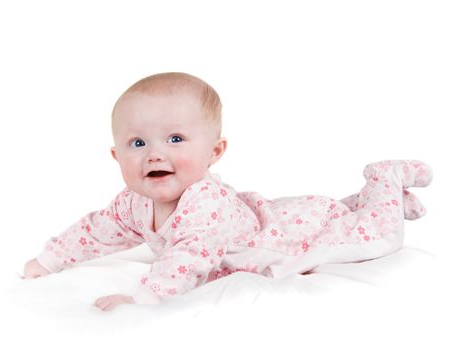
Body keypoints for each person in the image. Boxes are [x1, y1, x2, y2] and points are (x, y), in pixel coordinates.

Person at [23, 72, 433, 311]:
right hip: (266, 212)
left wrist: (143, 300)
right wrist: (51, 259)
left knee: (373, 237)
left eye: (176, 139)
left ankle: (386, 180)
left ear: (214, 152)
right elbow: (96, 230)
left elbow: (188, 259)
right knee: (343, 215)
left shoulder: (205, 208)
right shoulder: (134, 203)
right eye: (137, 143)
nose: (154, 155)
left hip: (281, 234)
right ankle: (380, 199)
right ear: (116, 155)